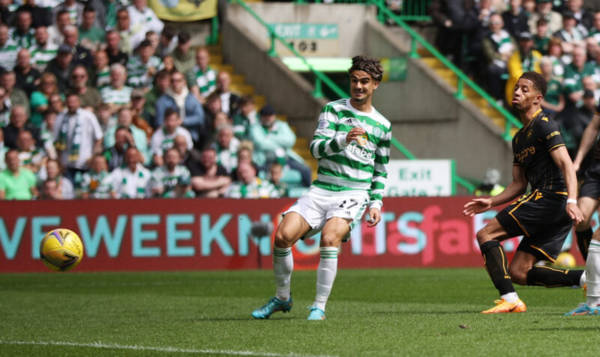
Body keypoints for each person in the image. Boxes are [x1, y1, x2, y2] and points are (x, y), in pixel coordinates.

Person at [251, 56, 391, 320]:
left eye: (364, 82)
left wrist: (375, 203)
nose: (358, 86)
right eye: (354, 81)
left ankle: (319, 306)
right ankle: (282, 298)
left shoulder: (383, 125)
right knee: (282, 237)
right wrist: (341, 140)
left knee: (330, 238)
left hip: (353, 192)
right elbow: (315, 149)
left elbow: (380, 170)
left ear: (375, 85)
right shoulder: (333, 111)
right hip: (321, 189)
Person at [463, 71, 585, 314]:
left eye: (524, 89)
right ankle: (586, 279)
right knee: (519, 271)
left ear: (538, 98)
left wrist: (572, 200)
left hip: (551, 198)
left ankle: (510, 300)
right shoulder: (519, 138)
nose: (517, 92)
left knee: (486, 234)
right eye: (516, 88)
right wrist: (491, 201)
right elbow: (518, 184)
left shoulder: (545, 124)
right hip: (553, 206)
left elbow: (566, 165)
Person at [53, 93, 103, 181]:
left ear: (79, 102)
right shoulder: (60, 117)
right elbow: (57, 142)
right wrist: (59, 161)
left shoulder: (88, 116)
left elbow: (99, 137)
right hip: (66, 164)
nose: (71, 104)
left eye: (74, 102)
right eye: (69, 102)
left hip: (85, 163)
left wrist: (93, 157)